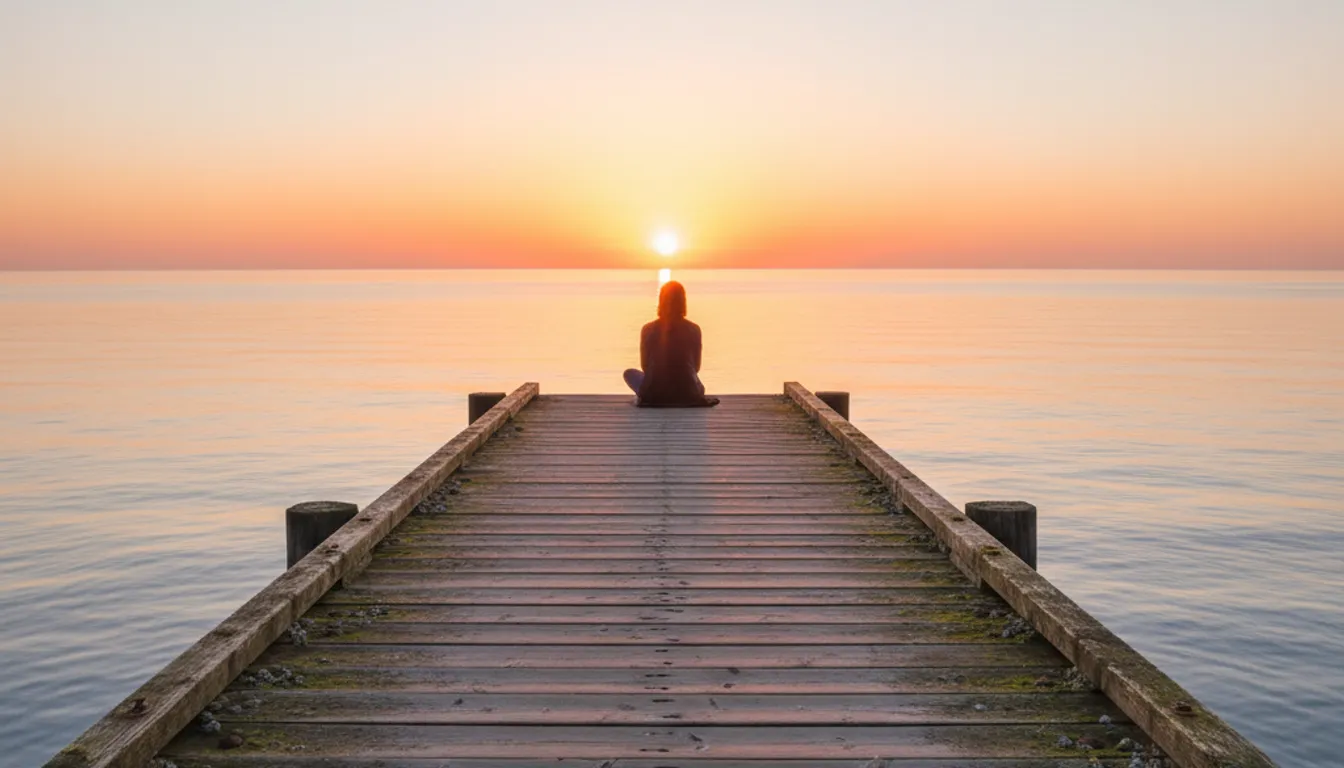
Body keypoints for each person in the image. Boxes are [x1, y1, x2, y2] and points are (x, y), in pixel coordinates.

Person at [623, 280, 720, 407]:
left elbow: (645, 366)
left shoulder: (647, 329)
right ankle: (681, 391)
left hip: (653, 394)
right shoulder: (694, 329)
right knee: (696, 382)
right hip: (688, 394)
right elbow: (696, 367)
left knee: (629, 374)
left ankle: (646, 395)